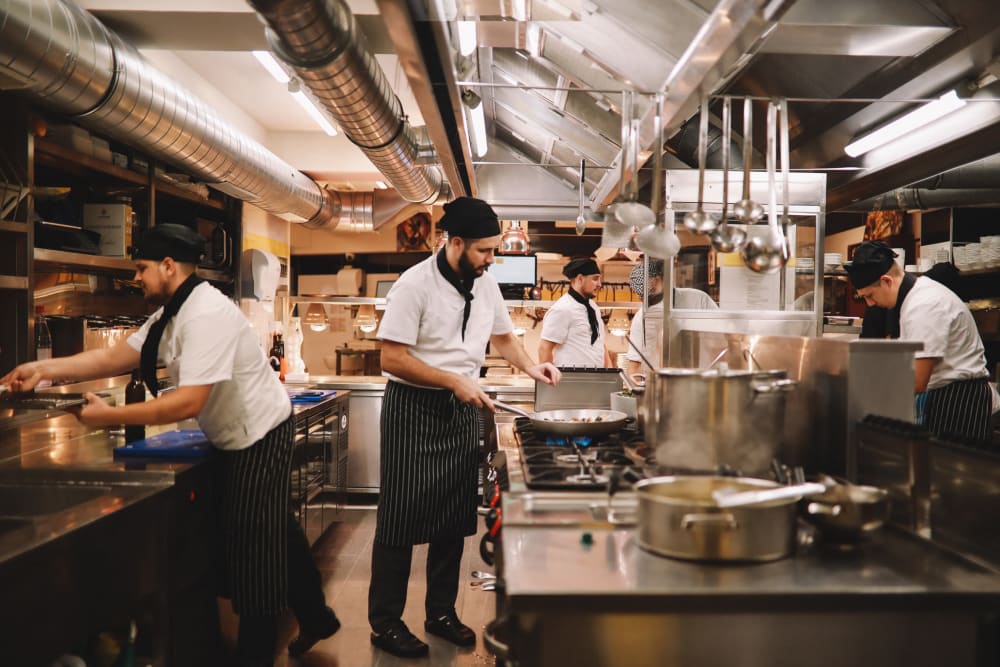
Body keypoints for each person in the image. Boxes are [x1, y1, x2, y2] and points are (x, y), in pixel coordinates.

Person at [0, 224, 338, 666]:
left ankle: (255, 657)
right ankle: (317, 617)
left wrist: (107, 417)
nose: (136, 278)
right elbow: (112, 357)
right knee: (276, 530)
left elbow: (187, 402)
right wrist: (41, 370)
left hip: (259, 433)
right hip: (232, 433)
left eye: (141, 269)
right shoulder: (172, 314)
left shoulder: (205, 315)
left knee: (253, 554)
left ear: (167, 266)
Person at [369, 197, 560, 658]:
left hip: (461, 407)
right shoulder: (414, 285)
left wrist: (532, 368)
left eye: (494, 251)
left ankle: (440, 613)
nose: (492, 260)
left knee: (453, 518)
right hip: (412, 409)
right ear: (455, 243)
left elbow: (502, 338)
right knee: (399, 518)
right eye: (484, 251)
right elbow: (391, 358)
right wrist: (453, 380)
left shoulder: (486, 282)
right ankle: (385, 622)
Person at [843, 240, 992, 441]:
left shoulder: (924, 305)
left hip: (956, 401)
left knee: (948, 468)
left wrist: (866, 394)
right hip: (944, 395)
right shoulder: (914, 297)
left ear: (887, 281)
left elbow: (917, 380)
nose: (870, 304)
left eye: (870, 295)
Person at [625, 259, 717, 376]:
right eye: (642, 297)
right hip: (660, 385)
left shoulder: (699, 300)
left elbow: (721, 342)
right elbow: (634, 366)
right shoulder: (641, 318)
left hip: (702, 380)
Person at [539, 257, 611, 367]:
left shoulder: (593, 307)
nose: (599, 284)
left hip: (595, 379)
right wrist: (548, 380)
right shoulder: (562, 309)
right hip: (570, 380)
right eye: (595, 279)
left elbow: (600, 344)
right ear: (580, 279)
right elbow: (544, 349)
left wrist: (609, 374)